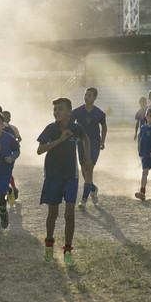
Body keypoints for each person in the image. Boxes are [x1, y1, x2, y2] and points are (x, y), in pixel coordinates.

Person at [37, 97, 92, 266]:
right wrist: (60, 140)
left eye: (61, 109)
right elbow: (40, 150)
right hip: (53, 176)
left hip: (71, 176)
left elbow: (85, 138)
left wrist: (87, 157)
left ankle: (68, 250)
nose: (57, 112)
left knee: (69, 214)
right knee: (52, 214)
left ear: (69, 112)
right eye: (55, 109)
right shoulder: (50, 129)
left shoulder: (76, 128)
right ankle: (49, 245)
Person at [69, 87, 108, 209]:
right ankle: (93, 188)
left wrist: (102, 141)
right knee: (83, 168)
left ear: (95, 98)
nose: (86, 97)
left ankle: (84, 200)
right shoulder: (77, 111)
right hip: (80, 143)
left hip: (94, 143)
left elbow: (104, 126)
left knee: (89, 168)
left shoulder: (100, 113)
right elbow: (70, 124)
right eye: (85, 95)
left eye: (89, 95)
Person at [2, 110, 22, 206]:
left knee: (7, 172)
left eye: (6, 118)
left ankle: (11, 189)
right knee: (5, 173)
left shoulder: (13, 128)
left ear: (9, 119)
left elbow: (19, 138)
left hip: (10, 154)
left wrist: (16, 142)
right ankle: (12, 189)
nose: (5, 120)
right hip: (1, 154)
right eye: (3, 118)